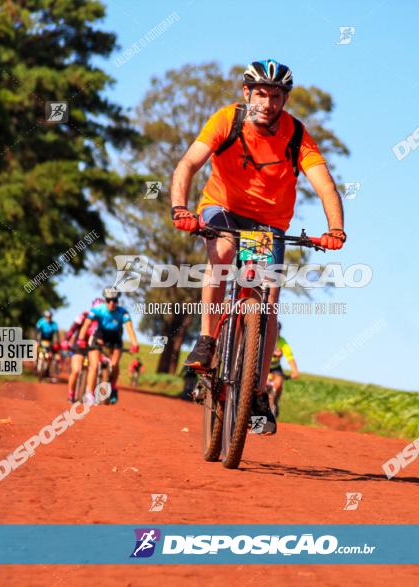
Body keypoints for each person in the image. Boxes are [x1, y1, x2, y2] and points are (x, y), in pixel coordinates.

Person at [170, 59, 346, 430]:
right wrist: (180, 208)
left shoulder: (296, 134)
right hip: (224, 207)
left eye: (276, 96)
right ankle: (206, 339)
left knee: (269, 299)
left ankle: (257, 391)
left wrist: (336, 228)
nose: (268, 103)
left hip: (270, 222)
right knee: (220, 255)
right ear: (247, 93)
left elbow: (324, 183)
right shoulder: (226, 121)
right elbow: (188, 164)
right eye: (261, 94)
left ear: (285, 99)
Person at [78, 288, 139, 405]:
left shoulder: (123, 313)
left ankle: (114, 387)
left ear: (117, 301)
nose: (112, 303)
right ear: (105, 300)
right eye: (109, 300)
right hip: (99, 337)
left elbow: (129, 328)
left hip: (115, 340)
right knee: (94, 366)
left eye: (114, 300)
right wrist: (81, 339)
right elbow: (86, 324)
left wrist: (135, 343)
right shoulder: (97, 310)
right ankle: (90, 393)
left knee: (115, 364)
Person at [64, 297, 104, 403]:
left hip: (93, 347)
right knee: (76, 370)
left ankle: (90, 393)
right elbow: (73, 328)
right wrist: (66, 340)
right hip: (79, 346)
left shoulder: (104, 320)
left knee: (94, 367)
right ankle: (71, 393)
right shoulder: (84, 315)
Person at [268, 321, 300, 419]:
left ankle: (275, 402)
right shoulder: (266, 338)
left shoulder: (282, 342)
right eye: (274, 330)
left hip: (275, 368)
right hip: (264, 367)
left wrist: (295, 370)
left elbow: (289, 357)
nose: (276, 332)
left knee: (278, 383)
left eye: (278, 331)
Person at [35, 310, 60, 379]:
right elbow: (37, 332)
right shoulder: (41, 322)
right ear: (45, 317)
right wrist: (37, 340)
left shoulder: (54, 324)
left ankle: (47, 369)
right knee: (36, 347)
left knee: (50, 355)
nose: (48, 318)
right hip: (41, 339)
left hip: (49, 341)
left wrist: (56, 342)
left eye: (49, 317)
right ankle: (35, 360)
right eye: (47, 317)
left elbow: (56, 335)